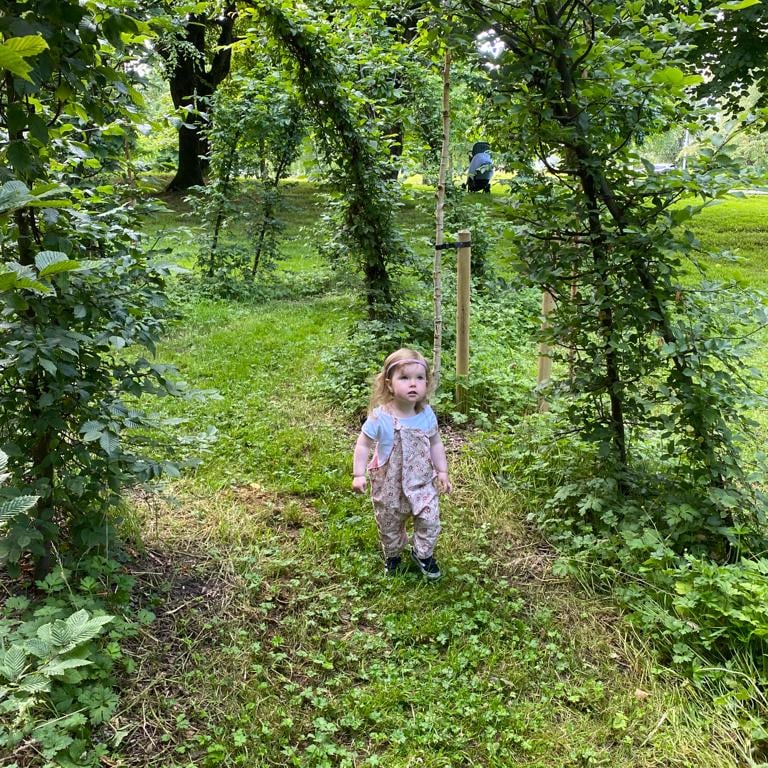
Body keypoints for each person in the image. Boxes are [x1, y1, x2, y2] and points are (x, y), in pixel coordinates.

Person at [352, 348, 452, 580]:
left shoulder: (427, 414)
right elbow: (363, 445)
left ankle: (423, 554)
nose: (413, 384)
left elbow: (435, 443)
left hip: (421, 484)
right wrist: (358, 474)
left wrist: (442, 470)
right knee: (390, 525)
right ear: (389, 384)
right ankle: (394, 555)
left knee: (430, 519)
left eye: (419, 378)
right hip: (389, 488)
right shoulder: (380, 417)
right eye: (404, 378)